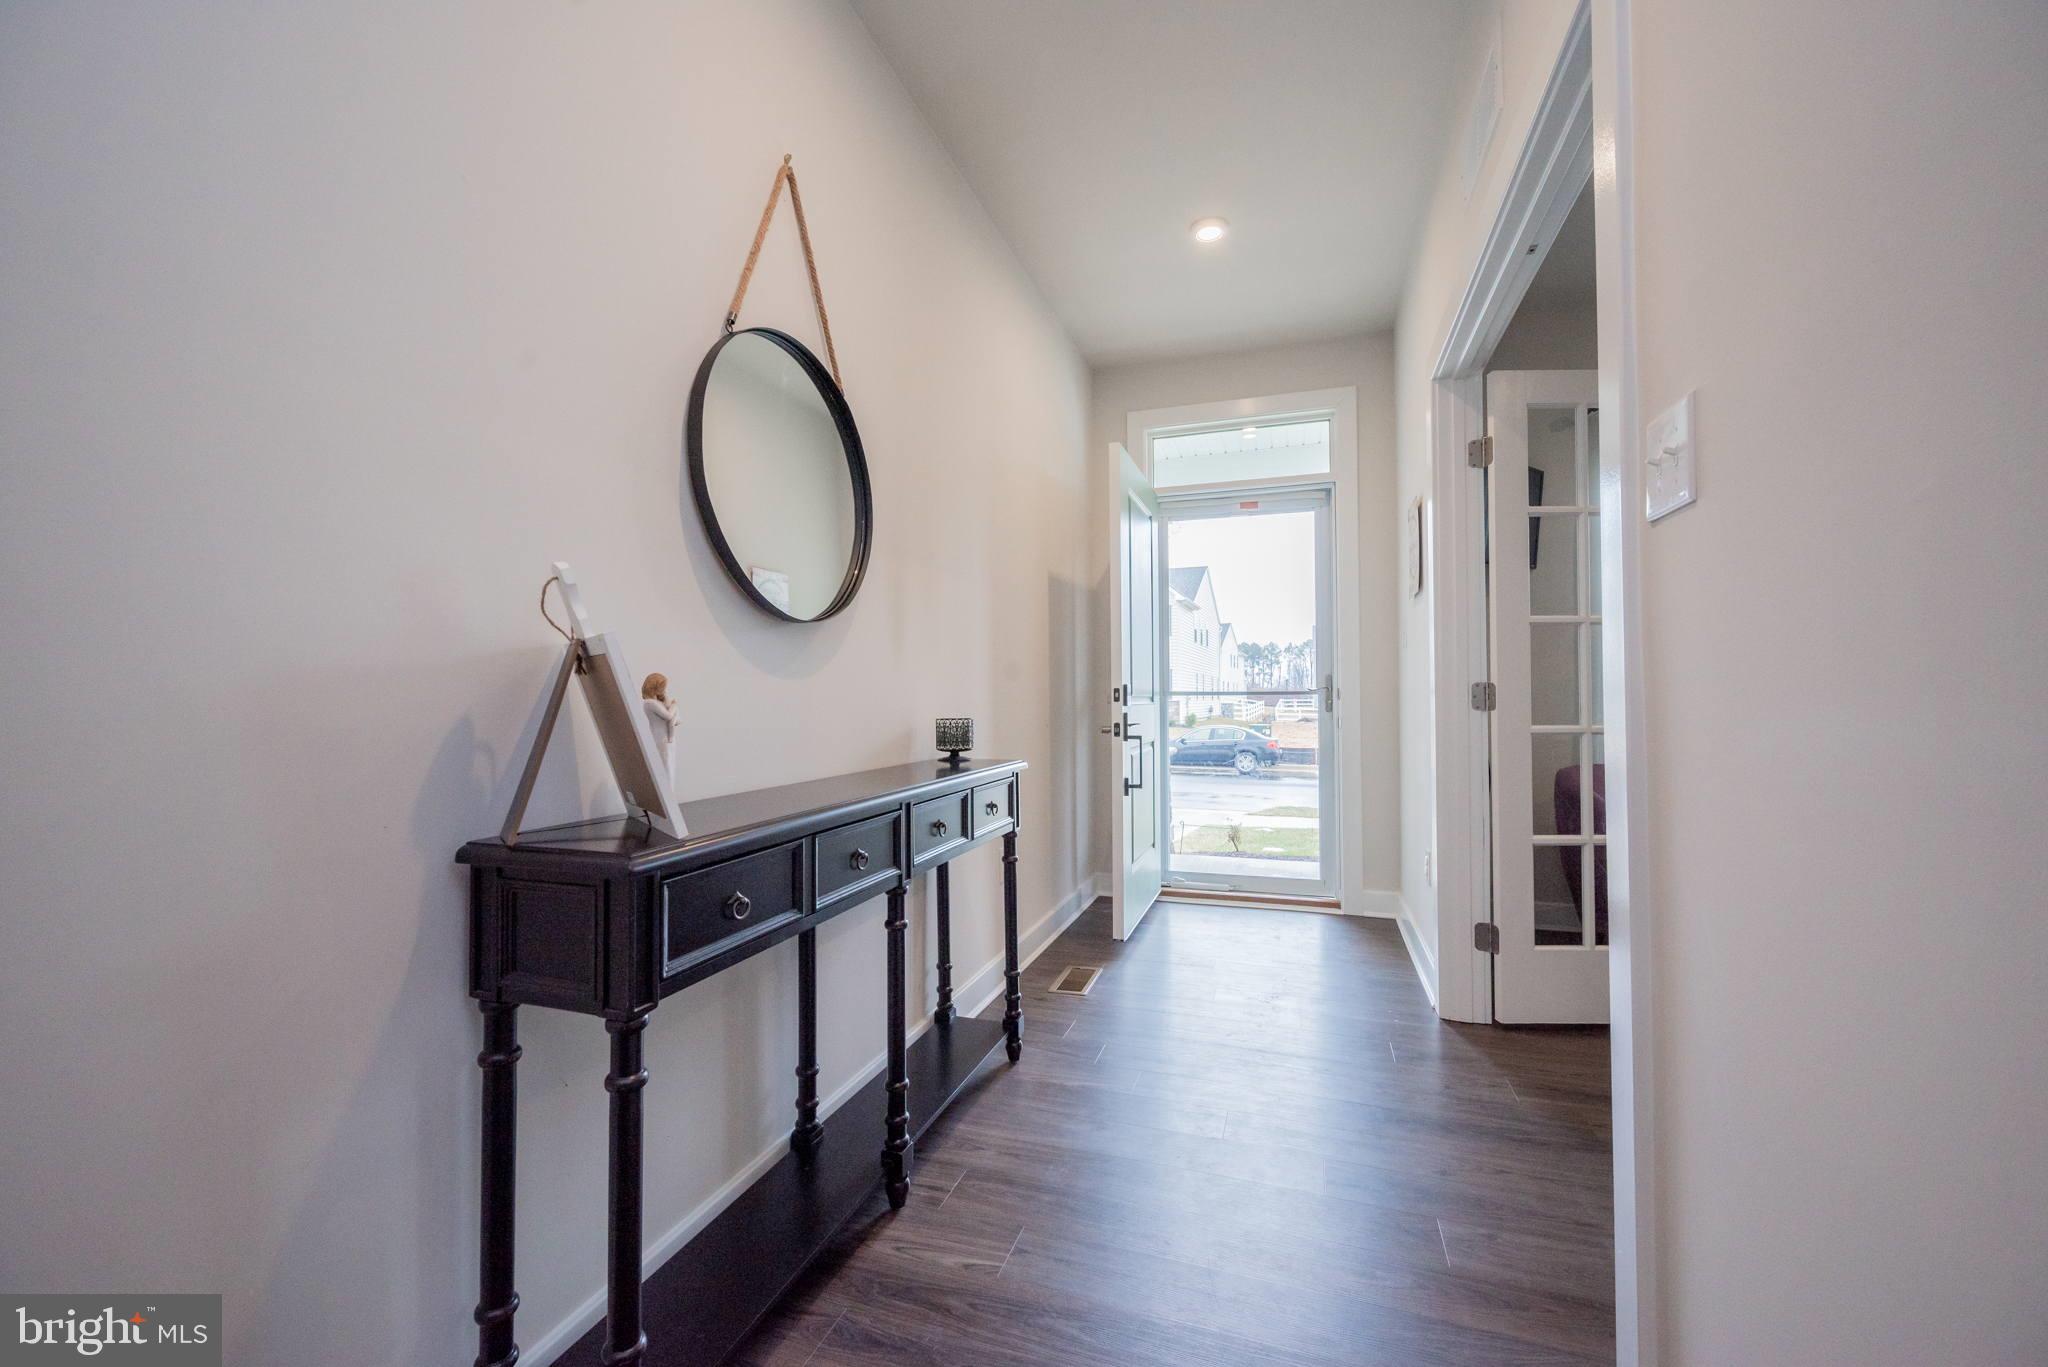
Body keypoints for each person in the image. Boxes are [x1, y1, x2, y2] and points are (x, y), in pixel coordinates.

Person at [641, 673, 678, 782]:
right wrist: (674, 706)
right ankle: (667, 795)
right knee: (666, 768)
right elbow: (668, 716)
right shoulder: (649, 703)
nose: (664, 690)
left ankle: (670, 795)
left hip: (666, 738)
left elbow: (674, 718)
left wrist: (666, 700)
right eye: (663, 688)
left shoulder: (657, 702)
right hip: (661, 738)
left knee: (670, 767)